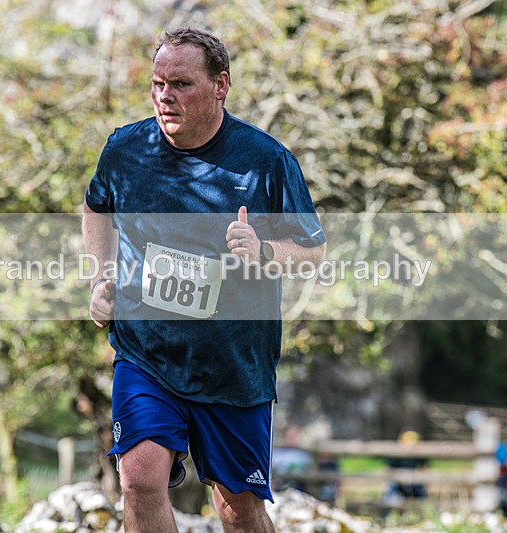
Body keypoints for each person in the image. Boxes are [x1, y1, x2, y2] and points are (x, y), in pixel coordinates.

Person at [82, 28, 326, 533]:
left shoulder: (265, 161)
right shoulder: (126, 149)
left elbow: (313, 252)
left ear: (221, 85)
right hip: (147, 351)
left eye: (181, 84)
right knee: (138, 479)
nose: (165, 96)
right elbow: (95, 207)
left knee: (237, 507)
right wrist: (102, 276)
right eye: (157, 84)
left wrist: (260, 249)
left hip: (233, 366)